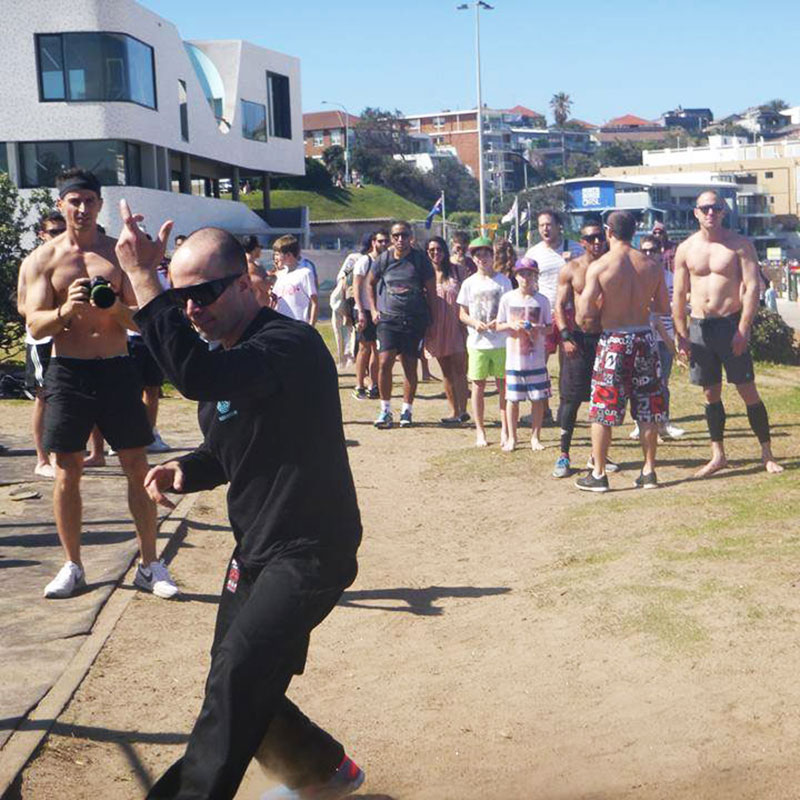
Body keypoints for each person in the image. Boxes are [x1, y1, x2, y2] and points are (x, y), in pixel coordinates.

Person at [113, 209, 364, 800]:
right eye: (183, 298)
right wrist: (185, 468)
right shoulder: (230, 356)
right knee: (240, 677)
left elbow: (197, 376)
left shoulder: (288, 344)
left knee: (237, 676)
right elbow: (229, 446)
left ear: (246, 283)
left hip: (311, 550)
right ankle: (325, 772)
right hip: (256, 548)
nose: (191, 308)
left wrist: (146, 280)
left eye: (203, 293)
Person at [24, 168, 177, 598]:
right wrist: (65, 311)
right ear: (61, 205)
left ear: (99, 205)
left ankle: (150, 563)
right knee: (67, 472)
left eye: (90, 200)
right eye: (74, 200)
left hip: (114, 368)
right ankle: (73, 564)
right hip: (69, 372)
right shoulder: (43, 260)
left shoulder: (117, 254)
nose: (83, 208)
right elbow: (35, 325)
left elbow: (142, 317)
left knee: (137, 466)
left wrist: (113, 309)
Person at [673, 190, 783, 476]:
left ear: (723, 212)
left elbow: (752, 288)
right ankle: (717, 455)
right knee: (710, 393)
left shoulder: (739, 245)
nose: (711, 213)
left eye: (716, 208)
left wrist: (743, 329)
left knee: (747, 390)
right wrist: (681, 333)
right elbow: (679, 294)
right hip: (700, 326)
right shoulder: (685, 249)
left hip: (730, 324)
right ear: (696, 212)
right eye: (705, 208)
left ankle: (767, 453)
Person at [575, 211, 669, 492]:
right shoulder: (651, 265)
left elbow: (583, 315)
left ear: (608, 232)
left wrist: (605, 306)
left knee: (603, 408)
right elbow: (663, 306)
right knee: (648, 407)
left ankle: (600, 473)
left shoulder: (601, 266)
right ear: (634, 232)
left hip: (614, 339)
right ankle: (649, 470)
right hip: (644, 338)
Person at [551, 219, 619, 478]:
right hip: (578, 339)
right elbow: (559, 305)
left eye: (600, 237)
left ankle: (597, 455)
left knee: (604, 399)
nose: (597, 242)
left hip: (605, 338)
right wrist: (566, 335)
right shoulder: (571, 269)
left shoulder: (613, 267)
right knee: (571, 398)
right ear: (582, 242)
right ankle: (564, 454)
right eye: (591, 238)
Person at [367, 220, 436, 429]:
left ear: (410, 237)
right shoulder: (384, 259)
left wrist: (432, 319)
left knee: (409, 364)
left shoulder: (420, 260)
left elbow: (431, 291)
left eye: (404, 235)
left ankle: (407, 410)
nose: (400, 240)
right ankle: (385, 410)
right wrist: (373, 309)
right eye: (395, 236)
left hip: (414, 319)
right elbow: (369, 282)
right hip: (388, 319)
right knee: (385, 362)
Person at [17, 211, 66, 478]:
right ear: (42, 235)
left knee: (66, 398)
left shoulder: (68, 258)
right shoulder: (32, 262)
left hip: (67, 340)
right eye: (54, 232)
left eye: (63, 230)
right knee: (43, 398)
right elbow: (24, 306)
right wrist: (52, 315)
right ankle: (42, 458)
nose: (59, 236)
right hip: (42, 340)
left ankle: (67, 455)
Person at [524, 209, 584, 425]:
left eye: (549, 224)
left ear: (559, 226)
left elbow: (587, 276)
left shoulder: (576, 249)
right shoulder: (534, 252)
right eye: (541, 225)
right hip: (544, 312)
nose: (545, 229)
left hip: (569, 312)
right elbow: (526, 280)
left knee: (568, 363)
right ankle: (543, 409)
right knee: (539, 362)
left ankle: (565, 409)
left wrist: (573, 264)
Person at [457, 236, 512, 447]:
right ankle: (480, 430)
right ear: (473, 259)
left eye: (486, 254)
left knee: (503, 387)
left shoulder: (504, 281)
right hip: (477, 343)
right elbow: (462, 313)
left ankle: (505, 430)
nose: (482, 258)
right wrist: (474, 323)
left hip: (500, 342)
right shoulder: (468, 283)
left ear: (492, 255)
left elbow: (509, 309)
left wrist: (500, 320)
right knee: (478, 386)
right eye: (478, 255)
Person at [630, 235, 685, 442]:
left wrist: (679, 337)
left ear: (660, 252)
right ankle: (639, 424)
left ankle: (664, 422)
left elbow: (676, 309)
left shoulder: (671, 278)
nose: (648, 254)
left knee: (662, 383)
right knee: (639, 384)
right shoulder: (635, 277)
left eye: (652, 250)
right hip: (641, 336)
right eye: (643, 250)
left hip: (665, 337)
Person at [496, 258, 551, 451]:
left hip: (535, 359)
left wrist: (539, 329)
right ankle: (512, 437)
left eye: (529, 274)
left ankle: (535, 437)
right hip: (514, 359)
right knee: (512, 399)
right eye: (522, 274)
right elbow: (498, 325)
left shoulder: (542, 300)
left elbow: (550, 328)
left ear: (536, 276)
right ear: (515, 275)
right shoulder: (508, 298)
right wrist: (510, 325)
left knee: (537, 399)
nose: (525, 278)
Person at [424, 236, 469, 424]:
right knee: (446, 371)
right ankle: (453, 410)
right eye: (432, 250)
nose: (436, 253)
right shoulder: (425, 275)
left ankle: (463, 411)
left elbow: (468, 297)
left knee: (460, 369)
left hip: (456, 325)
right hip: (436, 327)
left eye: (439, 249)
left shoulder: (457, 271)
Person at [352, 230, 389, 399]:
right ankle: (359, 384)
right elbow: (356, 288)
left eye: (386, 241)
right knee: (364, 347)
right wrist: (360, 311)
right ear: (374, 242)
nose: (384, 244)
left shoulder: (387, 261)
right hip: (365, 309)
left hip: (381, 309)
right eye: (380, 241)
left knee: (377, 348)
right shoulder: (364, 261)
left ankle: (373, 384)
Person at [272, 235, 319, 326]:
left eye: (278, 254)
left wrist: (311, 326)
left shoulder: (305, 273)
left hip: (298, 326)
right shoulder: (280, 275)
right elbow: (274, 301)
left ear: (289, 255)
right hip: (281, 325)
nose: (275, 258)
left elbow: (314, 303)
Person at [244, 235, 272, 308]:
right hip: (256, 310)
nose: (261, 250)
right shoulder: (250, 267)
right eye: (260, 247)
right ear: (255, 249)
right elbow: (265, 286)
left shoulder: (254, 264)